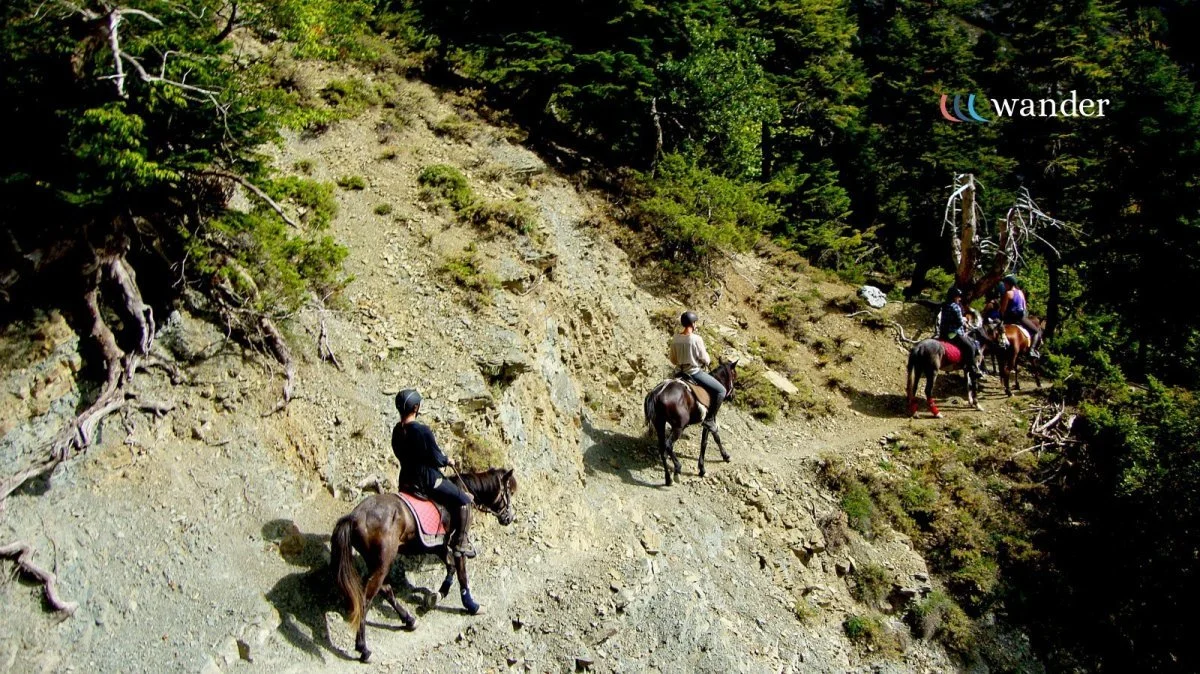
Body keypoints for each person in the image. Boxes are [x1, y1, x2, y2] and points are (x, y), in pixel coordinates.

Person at [392, 389, 475, 558]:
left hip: (406, 480)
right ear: (415, 407)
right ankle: (461, 542)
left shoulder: (397, 431)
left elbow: (398, 453)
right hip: (428, 480)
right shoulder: (422, 431)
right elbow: (436, 458)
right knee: (464, 500)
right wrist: (447, 461)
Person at [668, 311, 726, 431]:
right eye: (695, 322)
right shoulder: (696, 339)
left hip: (678, 373)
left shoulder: (675, 338)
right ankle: (709, 420)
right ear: (692, 324)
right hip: (694, 373)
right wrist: (706, 361)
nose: (696, 324)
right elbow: (705, 359)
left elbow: (673, 360)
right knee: (721, 391)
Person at [938, 287, 983, 379]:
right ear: (954, 297)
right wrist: (965, 319)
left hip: (943, 332)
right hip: (953, 333)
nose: (960, 298)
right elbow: (959, 322)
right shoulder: (955, 307)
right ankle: (972, 368)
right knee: (970, 346)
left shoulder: (945, 305)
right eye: (958, 297)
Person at [999, 274, 1043, 358]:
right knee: (1036, 331)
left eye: (1005, 284)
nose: (1004, 285)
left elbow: (1002, 310)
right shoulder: (1020, 292)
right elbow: (1024, 307)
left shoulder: (1008, 294)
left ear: (1009, 284)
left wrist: (1001, 319)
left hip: (1009, 319)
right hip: (1020, 318)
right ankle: (1031, 350)